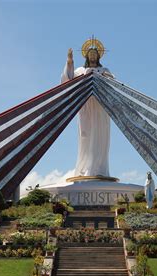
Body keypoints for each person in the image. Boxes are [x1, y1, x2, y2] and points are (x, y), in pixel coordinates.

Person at [61, 37, 113, 177]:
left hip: (100, 107)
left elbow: (112, 82)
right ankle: (84, 168)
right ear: (86, 56)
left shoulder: (104, 69)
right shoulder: (80, 70)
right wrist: (70, 62)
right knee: (85, 136)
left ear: (98, 56)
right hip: (85, 106)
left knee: (100, 136)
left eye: (94, 54)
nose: (92, 56)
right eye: (90, 54)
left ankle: (100, 169)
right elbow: (68, 80)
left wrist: (107, 76)